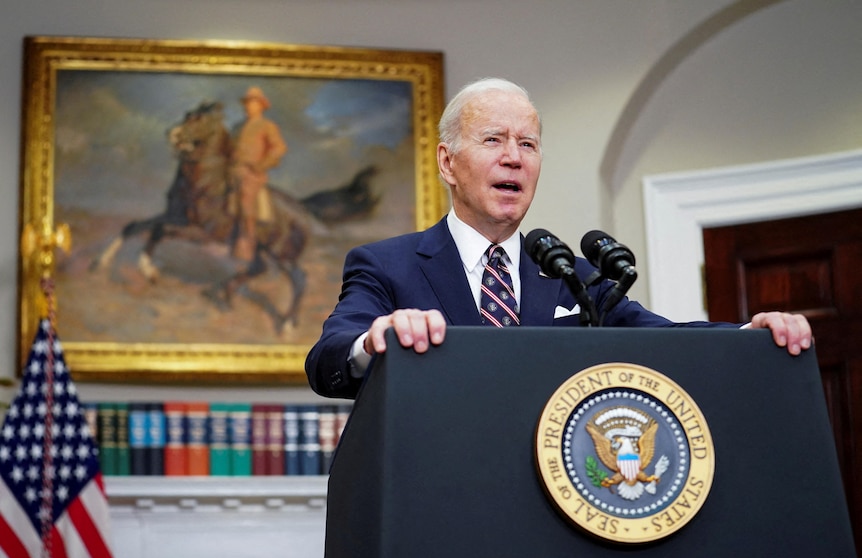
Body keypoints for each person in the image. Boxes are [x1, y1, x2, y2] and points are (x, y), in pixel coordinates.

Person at [305, 77, 812, 399]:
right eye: (493, 140)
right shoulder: (386, 264)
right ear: (447, 162)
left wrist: (751, 337)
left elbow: (661, 337)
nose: (514, 157)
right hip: (437, 499)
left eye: (527, 143)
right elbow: (328, 359)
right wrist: (374, 341)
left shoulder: (571, 273)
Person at [230, 86, 288, 262]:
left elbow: (279, 148)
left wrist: (261, 165)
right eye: (247, 103)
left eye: (253, 103)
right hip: (232, 170)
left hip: (252, 174)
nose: (249, 106)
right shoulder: (237, 127)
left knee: (246, 201)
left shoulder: (267, 126)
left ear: (261, 106)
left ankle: (247, 246)